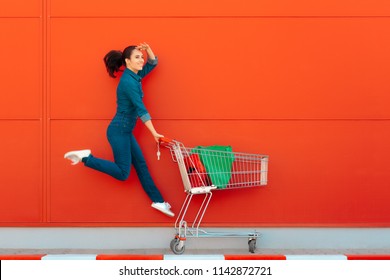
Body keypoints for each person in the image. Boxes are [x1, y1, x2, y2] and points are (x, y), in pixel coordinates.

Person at [64, 43, 174, 217]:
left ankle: (158, 201)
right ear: (127, 61)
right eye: (137, 57)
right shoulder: (128, 83)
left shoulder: (135, 76)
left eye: (141, 57)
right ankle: (87, 158)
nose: (141, 60)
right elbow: (141, 109)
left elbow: (153, 63)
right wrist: (154, 133)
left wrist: (148, 49)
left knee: (141, 166)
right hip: (119, 131)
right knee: (123, 173)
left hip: (125, 131)